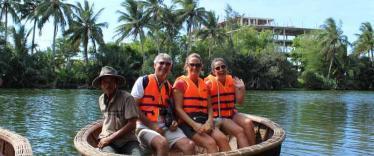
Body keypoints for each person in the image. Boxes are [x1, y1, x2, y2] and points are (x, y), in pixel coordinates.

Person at [131, 53, 195, 156]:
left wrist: (173, 122)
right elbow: (132, 107)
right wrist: (151, 125)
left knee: (190, 145)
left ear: (170, 68)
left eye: (168, 64)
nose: (164, 66)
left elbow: (170, 110)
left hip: (164, 127)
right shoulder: (143, 81)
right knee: (162, 143)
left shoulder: (168, 87)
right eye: (161, 63)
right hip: (144, 127)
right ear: (154, 65)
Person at [173, 53, 231, 153]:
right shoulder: (180, 83)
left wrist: (209, 121)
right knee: (210, 143)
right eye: (192, 64)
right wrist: (194, 125)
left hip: (204, 121)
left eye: (198, 65)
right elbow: (178, 109)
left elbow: (210, 107)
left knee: (223, 139)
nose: (195, 67)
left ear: (201, 66)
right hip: (187, 123)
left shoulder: (204, 84)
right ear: (186, 66)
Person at [204, 58, 256, 147]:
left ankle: (255, 149)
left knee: (248, 122)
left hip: (232, 114)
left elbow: (240, 102)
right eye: (217, 68)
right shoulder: (208, 84)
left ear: (226, 68)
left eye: (223, 67)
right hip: (218, 117)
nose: (221, 69)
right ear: (213, 71)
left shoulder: (233, 81)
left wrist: (242, 89)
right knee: (240, 131)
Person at [92, 66, 141, 155]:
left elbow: (132, 124)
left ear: (116, 83)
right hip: (107, 140)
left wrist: (110, 138)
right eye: (104, 82)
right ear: (101, 84)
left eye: (111, 81)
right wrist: (106, 139)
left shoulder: (127, 98)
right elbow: (106, 119)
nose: (107, 85)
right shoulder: (101, 99)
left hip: (127, 140)